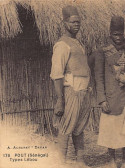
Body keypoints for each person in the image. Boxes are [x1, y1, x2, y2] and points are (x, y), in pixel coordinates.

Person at [94, 16, 125, 168]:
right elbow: (98, 76)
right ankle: (112, 161)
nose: (118, 37)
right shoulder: (103, 51)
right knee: (111, 130)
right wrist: (102, 99)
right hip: (111, 97)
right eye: (115, 34)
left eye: (120, 34)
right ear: (110, 33)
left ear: (124, 33)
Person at [50, 5, 92, 168]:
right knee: (66, 127)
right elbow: (57, 74)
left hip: (83, 92)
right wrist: (60, 100)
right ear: (65, 23)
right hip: (71, 91)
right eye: (73, 22)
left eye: (78, 22)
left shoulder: (78, 43)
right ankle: (61, 163)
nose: (76, 24)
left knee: (79, 128)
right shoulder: (62, 45)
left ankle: (80, 162)